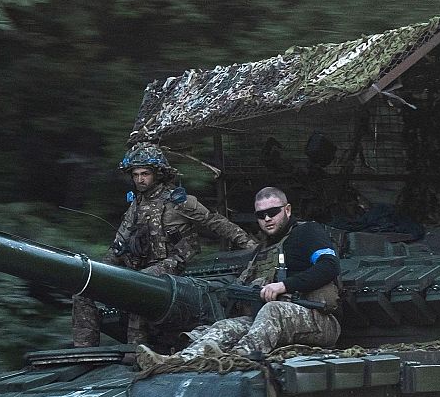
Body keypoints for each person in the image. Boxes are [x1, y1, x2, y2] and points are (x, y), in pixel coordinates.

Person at [71, 143, 256, 347]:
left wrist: (250, 246)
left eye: (145, 174)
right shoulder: (135, 206)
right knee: (84, 287)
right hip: (141, 267)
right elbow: (119, 244)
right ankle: (84, 350)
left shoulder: (178, 200)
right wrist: (100, 272)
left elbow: (214, 221)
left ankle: (135, 349)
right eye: (136, 175)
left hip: (174, 264)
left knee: (137, 283)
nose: (140, 179)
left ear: (157, 174)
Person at [138, 186, 341, 366]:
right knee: (225, 326)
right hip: (269, 320)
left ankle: (237, 359)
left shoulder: (307, 233)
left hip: (319, 320)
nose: (267, 219)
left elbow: (329, 266)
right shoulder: (262, 250)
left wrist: (284, 286)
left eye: (273, 212)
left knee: (273, 310)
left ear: (287, 210)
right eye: (261, 215)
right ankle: (178, 361)